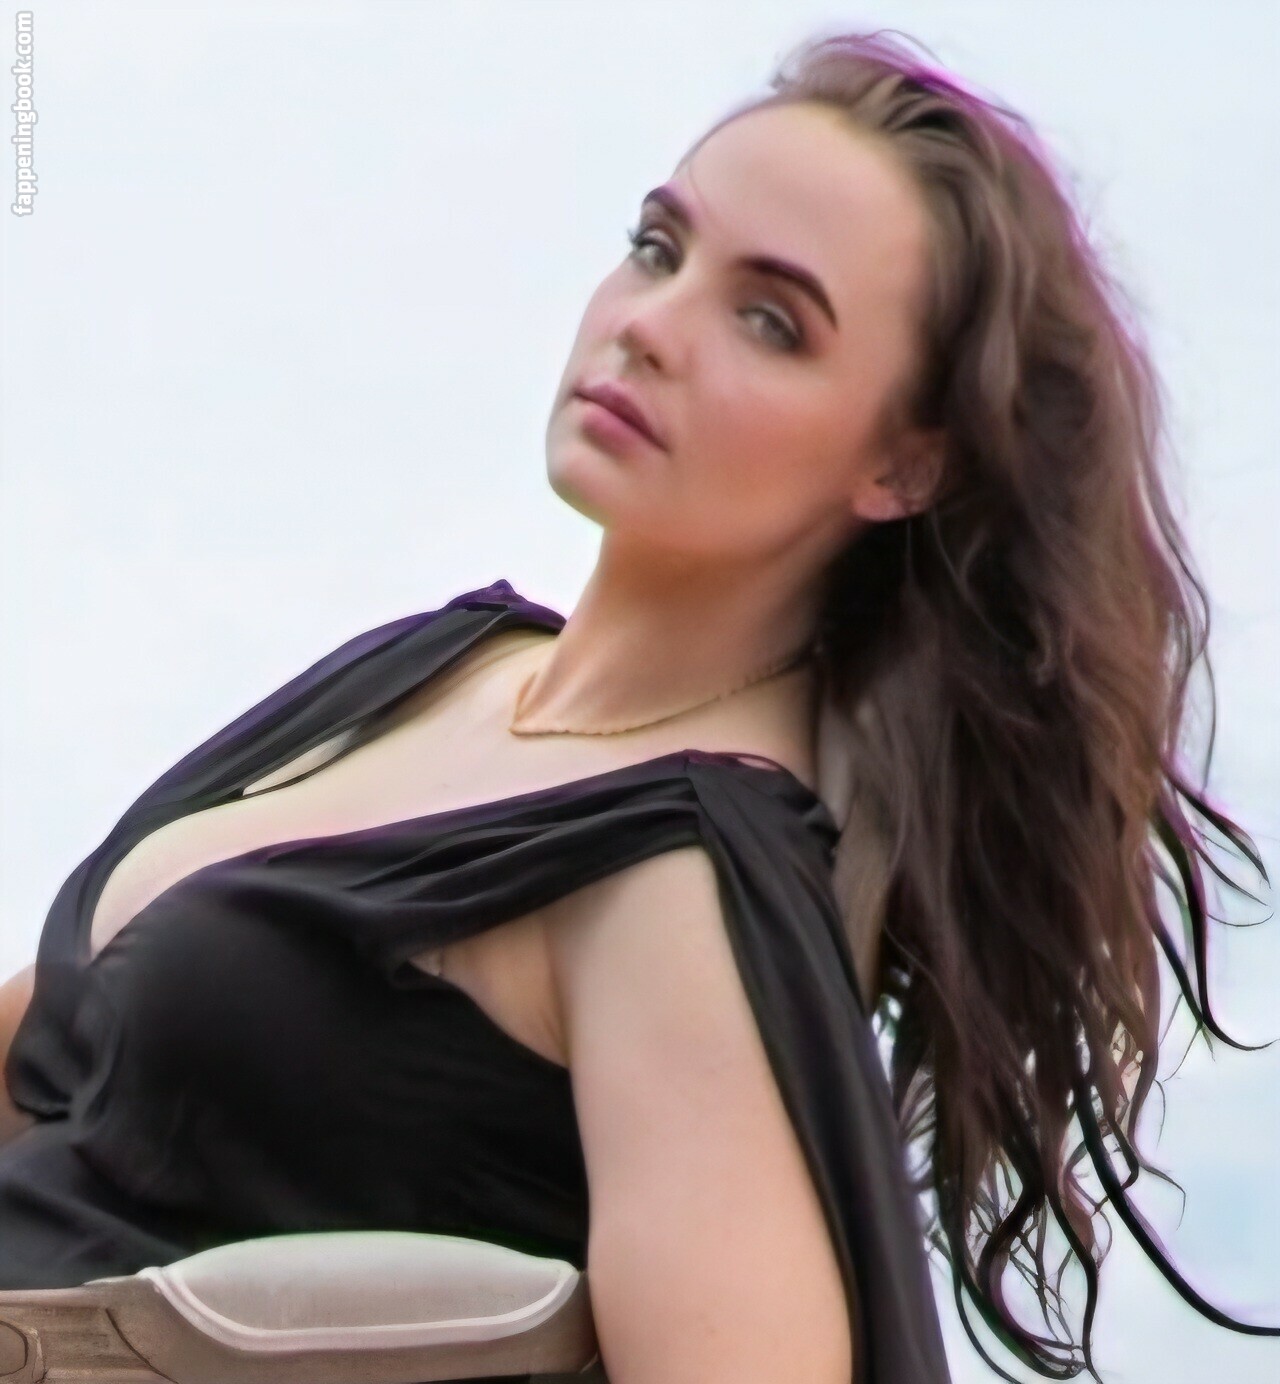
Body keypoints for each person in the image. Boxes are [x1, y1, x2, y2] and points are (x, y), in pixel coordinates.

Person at [1, 26, 1276, 1384]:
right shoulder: (445, 663)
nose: (651, 327)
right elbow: (59, 1046)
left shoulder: (680, 883)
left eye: (771, 322)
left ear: (905, 465)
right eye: (659, 249)